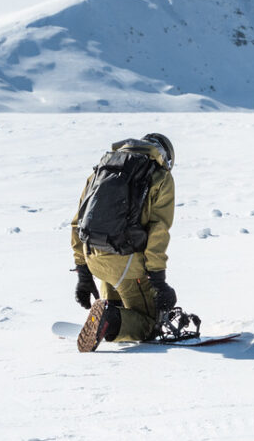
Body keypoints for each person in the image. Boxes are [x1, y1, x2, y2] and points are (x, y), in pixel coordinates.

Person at [70, 133, 178, 352]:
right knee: (149, 324)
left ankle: (110, 315)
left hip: (95, 258)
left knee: (119, 306)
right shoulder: (159, 175)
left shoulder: (102, 170)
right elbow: (159, 230)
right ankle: (109, 320)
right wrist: (158, 280)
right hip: (127, 263)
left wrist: (83, 272)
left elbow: (78, 222)